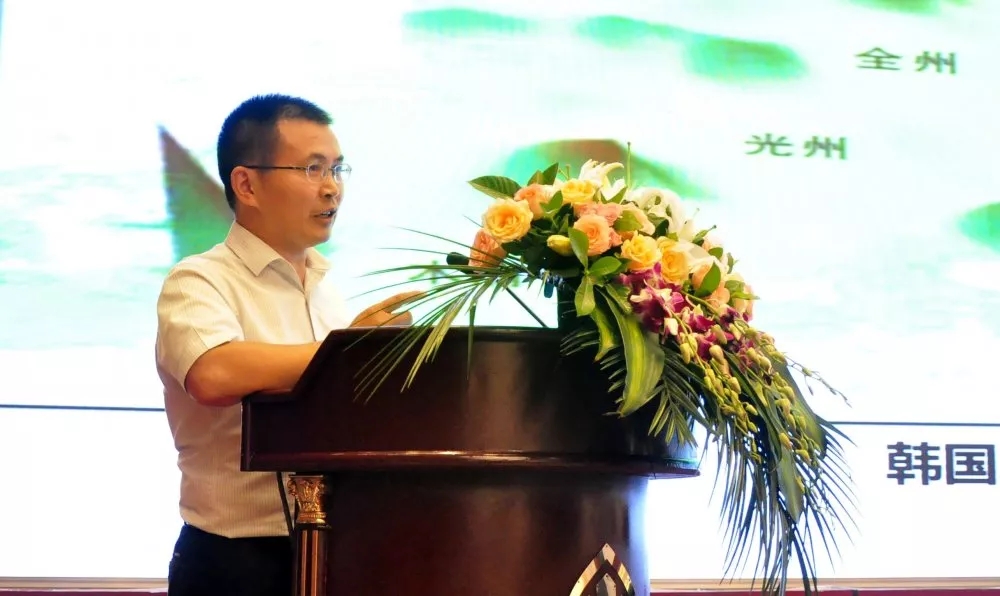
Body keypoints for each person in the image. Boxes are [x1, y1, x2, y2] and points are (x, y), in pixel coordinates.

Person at [154, 93, 418, 596]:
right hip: (234, 561)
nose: (331, 188)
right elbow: (214, 373)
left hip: (331, 547)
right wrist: (351, 351)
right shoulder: (199, 281)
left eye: (337, 169)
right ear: (247, 184)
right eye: (312, 169)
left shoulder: (327, 294)